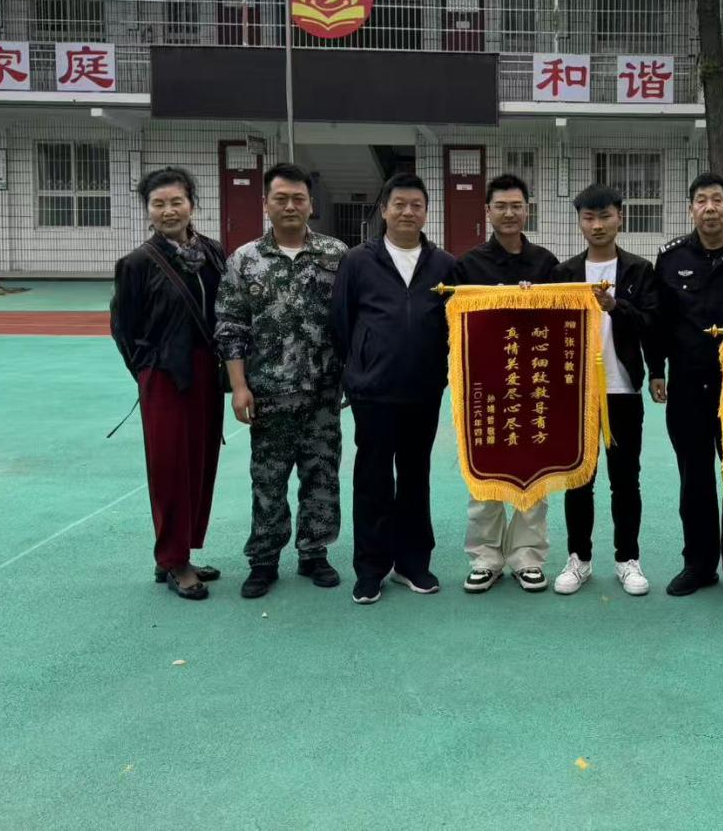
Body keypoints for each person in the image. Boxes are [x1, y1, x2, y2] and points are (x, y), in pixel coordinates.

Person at [216, 162, 348, 600]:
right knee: (267, 480)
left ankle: (314, 553)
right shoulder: (244, 260)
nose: (290, 206)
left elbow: (351, 320)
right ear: (266, 204)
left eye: (298, 198)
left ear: (311, 204)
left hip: (323, 392)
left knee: (322, 475)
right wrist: (239, 386)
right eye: (281, 198)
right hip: (268, 394)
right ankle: (264, 559)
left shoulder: (336, 255)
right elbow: (231, 326)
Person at [331, 173, 456, 606]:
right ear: (383, 210)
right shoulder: (357, 261)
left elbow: (456, 324)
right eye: (399, 204)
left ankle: (413, 563)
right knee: (373, 479)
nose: (407, 212)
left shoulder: (444, 265)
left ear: (426, 212)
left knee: (416, 476)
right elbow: (341, 323)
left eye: (416, 205)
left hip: (423, 390)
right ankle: (371, 568)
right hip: (372, 392)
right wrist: (360, 367)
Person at [651, 172, 723, 603]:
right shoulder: (670, 258)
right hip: (688, 385)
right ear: (690, 210)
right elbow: (660, 321)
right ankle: (698, 565)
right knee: (694, 477)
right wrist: (656, 370)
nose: (710, 208)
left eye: (717, 200)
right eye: (701, 200)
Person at [110, 167, 226, 601]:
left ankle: (182, 552)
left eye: (176, 201)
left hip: (206, 373)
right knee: (170, 467)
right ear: (148, 211)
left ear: (192, 204)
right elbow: (123, 328)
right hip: (164, 377)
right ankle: (173, 560)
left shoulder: (212, 253)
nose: (168, 211)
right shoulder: (137, 264)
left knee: (200, 462)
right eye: (158, 204)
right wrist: (147, 371)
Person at [450, 172, 560, 594]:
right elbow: (452, 322)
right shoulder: (468, 265)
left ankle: (527, 556)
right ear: (487, 212)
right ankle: (485, 557)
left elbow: (560, 320)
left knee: (535, 471)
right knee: (485, 471)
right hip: (486, 385)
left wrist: (536, 301)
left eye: (516, 206)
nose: (509, 213)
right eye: (501, 206)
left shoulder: (546, 263)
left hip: (534, 384)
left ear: (527, 210)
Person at [551, 184, 659, 597]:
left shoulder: (639, 270)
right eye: (589, 218)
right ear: (580, 222)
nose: (597, 225)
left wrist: (617, 307)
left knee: (625, 480)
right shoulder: (564, 273)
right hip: (577, 395)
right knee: (578, 478)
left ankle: (627, 559)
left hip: (623, 390)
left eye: (605, 216)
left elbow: (652, 323)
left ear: (620, 219)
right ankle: (578, 558)